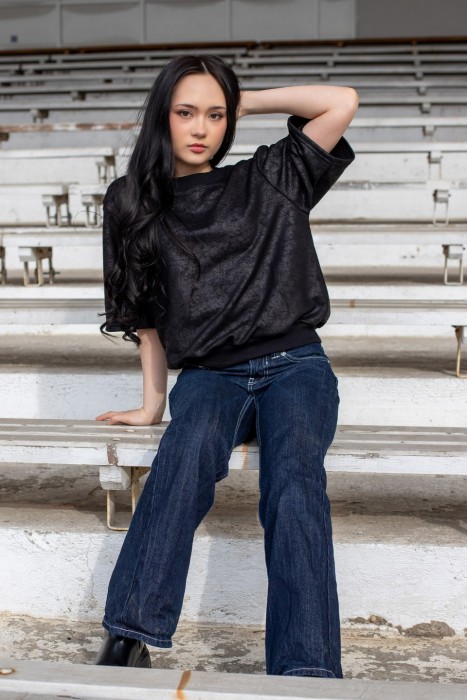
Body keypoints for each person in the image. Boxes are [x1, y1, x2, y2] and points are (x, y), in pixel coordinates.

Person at [94, 53, 358, 678]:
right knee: (181, 462)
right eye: (186, 112)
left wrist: (243, 99)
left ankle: (306, 668)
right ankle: (129, 634)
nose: (201, 128)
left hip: (296, 366)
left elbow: (340, 101)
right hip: (210, 374)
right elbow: (145, 316)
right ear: (161, 116)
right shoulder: (130, 201)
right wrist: (153, 404)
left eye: (215, 115)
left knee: (294, 484)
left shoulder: (271, 176)